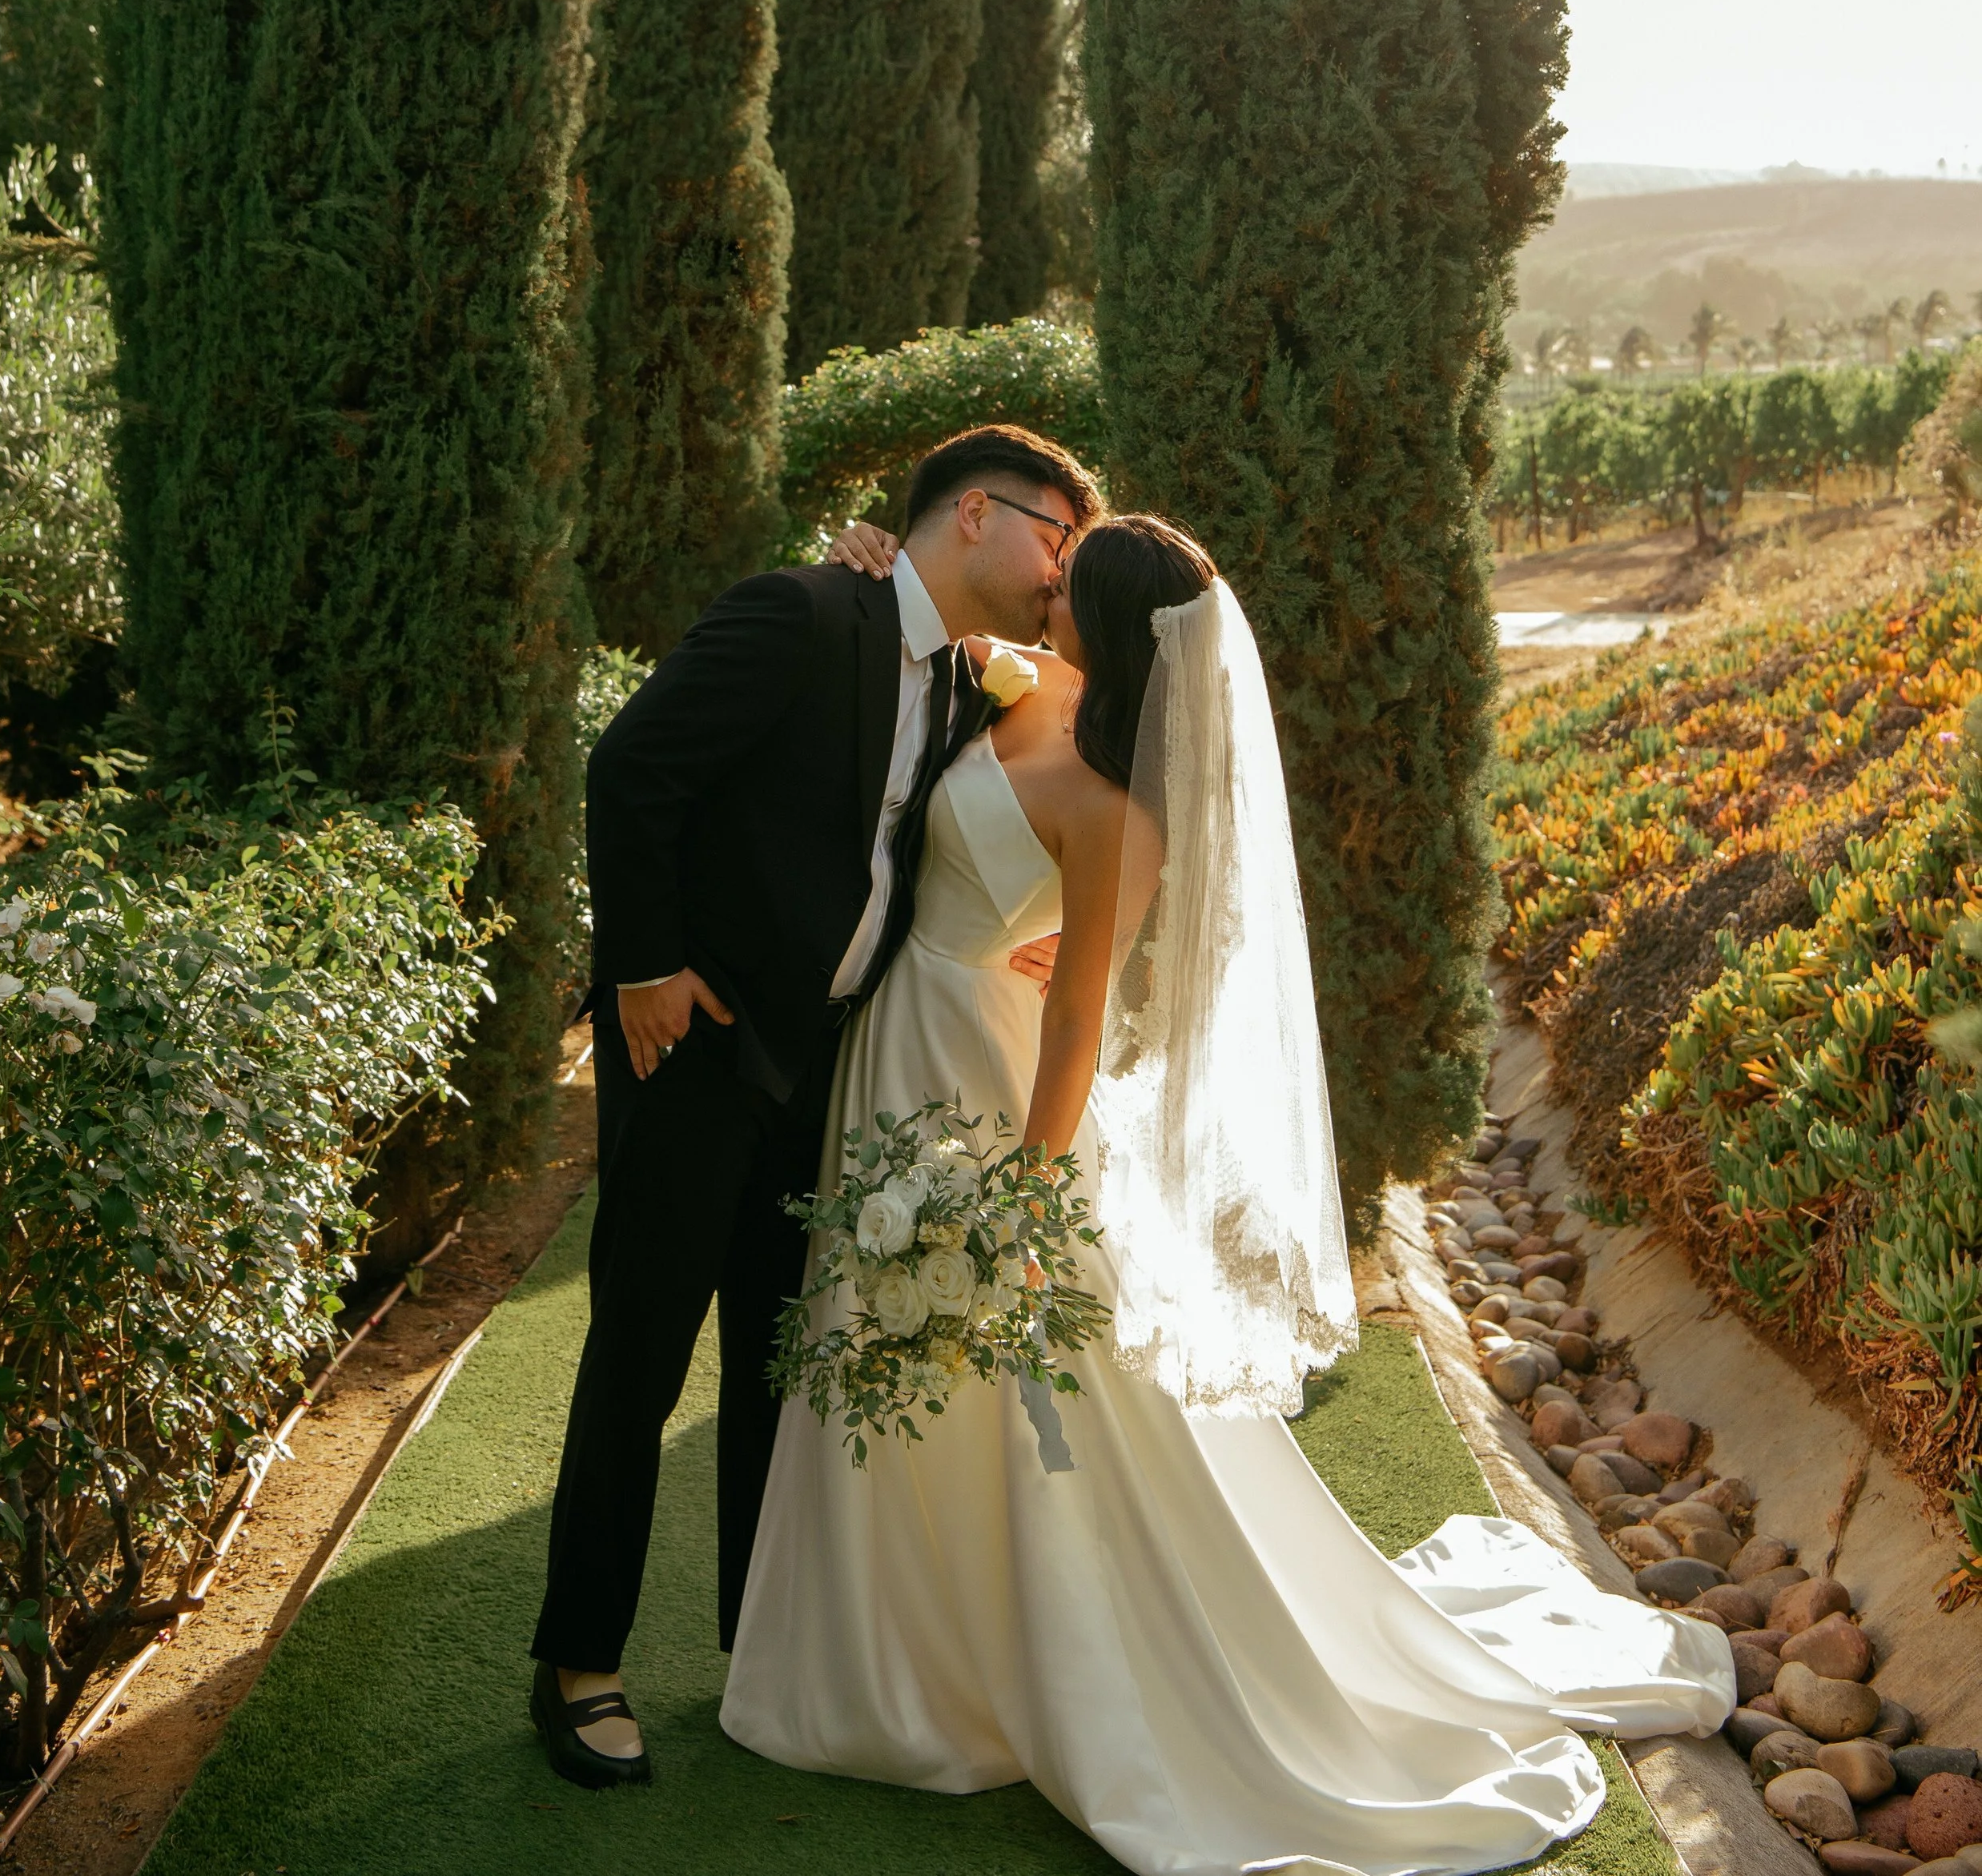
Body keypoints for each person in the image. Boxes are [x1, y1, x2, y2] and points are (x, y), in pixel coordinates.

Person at [721, 513, 1735, 1876]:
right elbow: (899, 665)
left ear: (1120, 628)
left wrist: (1028, 1190)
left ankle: (981, 1678)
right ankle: (888, 1656)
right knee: (892, 1342)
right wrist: (862, 561)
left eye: (1069, 582)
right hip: (898, 1049)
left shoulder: (1121, 810)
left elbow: (1081, 1019)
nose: (1045, 583)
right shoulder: (1010, 679)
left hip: (989, 1090)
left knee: (1008, 1380)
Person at [526, 424, 1103, 1790]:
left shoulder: (969, 682)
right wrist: (647, 966)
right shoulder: (797, 612)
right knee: (640, 1352)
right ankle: (578, 1665)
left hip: (828, 1075)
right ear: (973, 513)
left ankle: (761, 1640)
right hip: (696, 1058)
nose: (1057, 572)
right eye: (1054, 540)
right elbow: (631, 767)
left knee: (779, 1373)